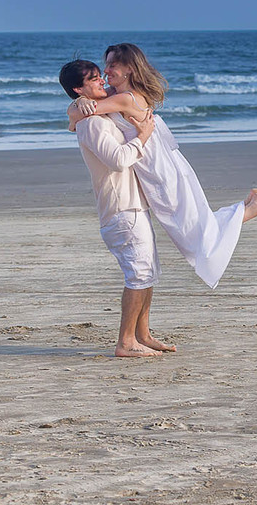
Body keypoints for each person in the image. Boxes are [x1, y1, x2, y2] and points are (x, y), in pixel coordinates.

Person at [67, 43, 257, 289]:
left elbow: (81, 116)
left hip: (158, 169)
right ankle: (251, 205)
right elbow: (81, 110)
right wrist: (78, 102)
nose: (106, 71)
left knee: (189, 229)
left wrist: (77, 106)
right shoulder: (117, 93)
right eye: (106, 65)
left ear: (129, 69)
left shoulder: (125, 98)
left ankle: (254, 207)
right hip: (157, 164)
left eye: (112, 65)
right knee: (193, 222)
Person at [59, 59, 171, 358]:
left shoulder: (98, 111)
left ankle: (143, 335)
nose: (102, 81)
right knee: (138, 275)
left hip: (133, 205)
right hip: (121, 209)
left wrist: (76, 106)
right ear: (78, 88)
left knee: (148, 273)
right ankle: (125, 342)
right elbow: (119, 160)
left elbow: (80, 111)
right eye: (94, 79)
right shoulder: (93, 123)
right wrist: (143, 135)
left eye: (100, 75)